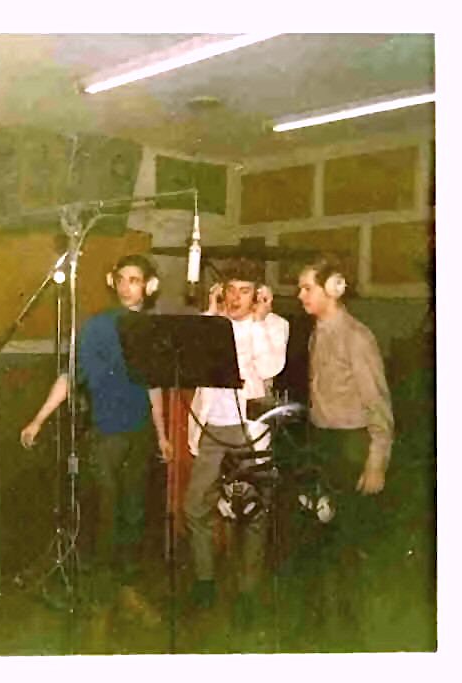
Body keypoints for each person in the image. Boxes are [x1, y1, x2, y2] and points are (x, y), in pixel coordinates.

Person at [20, 254, 171, 620]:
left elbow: (153, 387)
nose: (126, 286)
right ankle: (102, 599)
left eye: (134, 280)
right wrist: (38, 419)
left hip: (139, 435)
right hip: (106, 437)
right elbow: (70, 377)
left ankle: (128, 591)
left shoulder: (151, 327)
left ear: (149, 286)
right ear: (111, 280)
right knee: (107, 516)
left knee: (135, 515)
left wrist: (162, 435)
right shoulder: (97, 327)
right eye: (121, 278)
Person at [296, 254, 394, 648]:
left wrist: (376, 461)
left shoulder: (357, 337)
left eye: (307, 288)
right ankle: (324, 632)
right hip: (322, 442)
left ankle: (351, 642)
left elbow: (379, 405)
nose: (300, 294)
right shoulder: (318, 331)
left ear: (333, 288)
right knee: (321, 539)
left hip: (351, 445)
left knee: (347, 545)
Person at [184, 259, 289, 611]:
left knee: (254, 511)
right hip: (212, 424)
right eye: (230, 290)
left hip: (251, 430)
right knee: (195, 505)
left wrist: (257, 322)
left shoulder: (276, 325)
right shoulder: (212, 322)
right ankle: (204, 580)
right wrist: (211, 316)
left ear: (259, 294)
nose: (235, 298)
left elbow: (270, 368)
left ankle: (247, 590)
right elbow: (193, 362)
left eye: (244, 291)